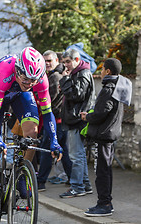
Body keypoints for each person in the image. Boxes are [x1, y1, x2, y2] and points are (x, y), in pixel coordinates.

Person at [0, 47, 63, 223]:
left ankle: (22, 175)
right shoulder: (5, 71)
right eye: (26, 79)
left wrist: (54, 141)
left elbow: (47, 114)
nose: (30, 83)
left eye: (34, 80)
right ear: (18, 70)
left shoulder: (40, 80)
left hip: (20, 96)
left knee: (32, 133)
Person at [80, 58, 132, 216]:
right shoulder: (118, 86)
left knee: (101, 172)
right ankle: (105, 202)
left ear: (108, 71)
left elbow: (101, 112)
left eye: (102, 69)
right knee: (105, 170)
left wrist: (87, 117)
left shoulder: (109, 88)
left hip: (103, 135)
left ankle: (104, 204)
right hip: (110, 134)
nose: (100, 72)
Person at [59, 48, 95, 198]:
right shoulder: (77, 73)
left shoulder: (83, 73)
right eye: (64, 62)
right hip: (76, 119)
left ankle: (77, 187)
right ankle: (84, 185)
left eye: (68, 61)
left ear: (77, 60)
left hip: (77, 120)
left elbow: (77, 94)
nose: (66, 65)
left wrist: (65, 81)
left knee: (76, 156)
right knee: (78, 154)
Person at [37, 50, 73, 191]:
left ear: (56, 61)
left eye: (49, 61)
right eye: (44, 61)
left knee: (47, 150)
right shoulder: (57, 75)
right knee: (62, 151)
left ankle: (40, 182)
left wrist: (39, 103)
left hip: (55, 120)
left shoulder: (54, 77)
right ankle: (72, 178)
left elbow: (49, 102)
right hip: (60, 120)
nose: (47, 63)